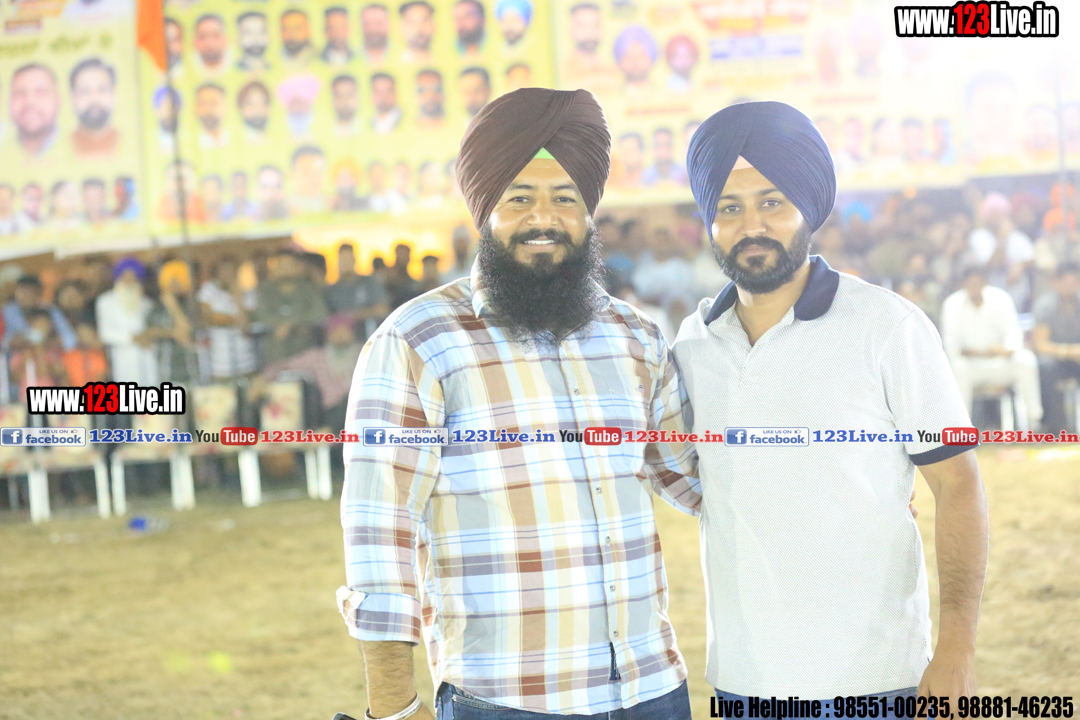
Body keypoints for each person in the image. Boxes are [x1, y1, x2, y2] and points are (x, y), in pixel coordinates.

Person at [337, 87, 698, 720]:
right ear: (485, 210)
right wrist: (394, 707)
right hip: (506, 699)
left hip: (652, 689)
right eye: (519, 198)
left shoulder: (636, 338)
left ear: (590, 213)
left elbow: (691, 477)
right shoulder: (419, 341)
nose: (544, 218)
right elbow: (379, 530)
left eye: (565, 198)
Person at [678, 101, 987, 704]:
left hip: (873, 681)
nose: (751, 226)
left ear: (808, 208)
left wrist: (957, 647)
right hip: (741, 683)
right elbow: (684, 474)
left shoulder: (887, 326)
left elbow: (958, 485)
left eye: (772, 202)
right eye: (729, 208)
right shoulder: (693, 344)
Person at [941, 265, 1042, 430]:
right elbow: (951, 346)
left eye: (978, 282)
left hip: (1000, 362)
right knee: (957, 367)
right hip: (971, 366)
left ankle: (1034, 422)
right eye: (970, 283)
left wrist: (1005, 350)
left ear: (985, 282)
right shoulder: (952, 305)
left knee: (1026, 360)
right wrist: (980, 352)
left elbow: (1013, 335)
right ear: (963, 284)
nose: (974, 287)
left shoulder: (1001, 299)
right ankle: (961, 428)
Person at [254, 248, 328, 365]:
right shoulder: (265, 290)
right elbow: (262, 316)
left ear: (297, 266)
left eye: (287, 264)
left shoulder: (309, 288)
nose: (283, 269)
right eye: (280, 264)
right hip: (275, 354)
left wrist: (290, 324)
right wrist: (283, 324)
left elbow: (319, 314)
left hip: (305, 353)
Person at [1033, 262, 1080, 432]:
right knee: (1045, 366)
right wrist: (1069, 351)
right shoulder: (1045, 305)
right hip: (1056, 360)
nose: (1071, 287)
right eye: (1067, 283)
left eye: (1075, 282)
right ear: (1056, 282)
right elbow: (1041, 344)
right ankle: (1055, 425)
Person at [95, 258, 157, 385]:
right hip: (123, 356)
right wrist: (133, 338)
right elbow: (105, 333)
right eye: (126, 276)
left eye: (133, 276)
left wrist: (148, 337)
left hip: (147, 357)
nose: (129, 279)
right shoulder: (105, 301)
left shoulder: (146, 303)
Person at [197, 255, 257, 380]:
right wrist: (234, 320)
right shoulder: (209, 290)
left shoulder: (247, 293)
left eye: (231, 270)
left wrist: (238, 297)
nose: (227, 274)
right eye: (224, 269)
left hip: (246, 361)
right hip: (219, 363)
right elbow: (211, 318)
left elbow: (247, 325)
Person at [325, 242, 389, 342]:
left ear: (354, 260)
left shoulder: (370, 283)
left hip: (368, 338)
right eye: (342, 260)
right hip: (341, 341)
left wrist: (353, 316)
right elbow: (325, 317)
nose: (345, 263)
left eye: (348, 259)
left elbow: (382, 309)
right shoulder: (332, 290)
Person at [3, 274, 77, 352]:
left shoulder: (50, 310)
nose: (25, 296)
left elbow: (70, 338)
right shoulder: (6, 311)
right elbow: (4, 341)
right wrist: (11, 342)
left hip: (46, 353)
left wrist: (48, 342)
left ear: (39, 294)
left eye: (30, 292)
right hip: (13, 355)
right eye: (22, 291)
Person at [70, 57, 120, 158]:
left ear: (113, 95)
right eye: (84, 91)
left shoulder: (129, 144)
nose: (94, 99)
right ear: (73, 98)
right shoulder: (59, 148)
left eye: (102, 89)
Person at [10, 64, 60, 156]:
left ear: (57, 100)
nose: (30, 102)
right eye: (20, 93)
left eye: (40, 92)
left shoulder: (77, 144)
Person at [383, 243, 420, 311]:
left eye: (405, 254)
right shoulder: (388, 276)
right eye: (401, 254)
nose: (403, 258)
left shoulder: (413, 282)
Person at [194, 83, 229, 148]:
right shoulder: (191, 140)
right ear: (196, 108)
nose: (208, 109)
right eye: (203, 103)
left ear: (224, 106)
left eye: (213, 103)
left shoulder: (233, 138)